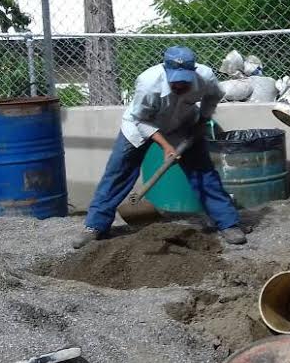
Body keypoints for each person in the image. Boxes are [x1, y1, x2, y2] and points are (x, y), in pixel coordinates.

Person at [71, 46, 249, 249]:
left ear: (194, 71)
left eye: (185, 80)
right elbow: (140, 119)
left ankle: (228, 223)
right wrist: (165, 146)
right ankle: (95, 227)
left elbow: (213, 96)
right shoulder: (148, 83)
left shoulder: (205, 77)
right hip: (140, 127)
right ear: (165, 70)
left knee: (204, 174)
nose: (180, 85)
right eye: (175, 80)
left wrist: (203, 120)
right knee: (117, 173)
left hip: (183, 126)